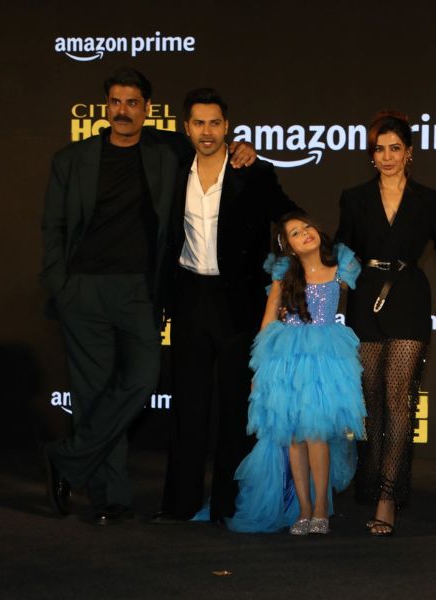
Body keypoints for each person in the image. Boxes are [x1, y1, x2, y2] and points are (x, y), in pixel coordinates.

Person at [40, 69, 254, 525]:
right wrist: (62, 285)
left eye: (132, 103)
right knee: (94, 394)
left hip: (139, 290)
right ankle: (111, 498)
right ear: (106, 107)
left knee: (141, 381)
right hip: (83, 290)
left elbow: (211, 142)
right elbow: (53, 227)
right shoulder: (71, 159)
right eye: (115, 102)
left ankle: (67, 457)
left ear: (147, 109)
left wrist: (242, 148)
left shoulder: (167, 149)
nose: (123, 111)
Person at [150, 89, 299, 525]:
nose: (207, 132)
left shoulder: (253, 172)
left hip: (237, 301)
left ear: (227, 127)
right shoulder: (173, 168)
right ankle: (179, 503)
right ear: (186, 128)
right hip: (189, 296)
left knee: (236, 405)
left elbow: (287, 213)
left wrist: (312, 250)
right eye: (199, 123)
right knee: (188, 404)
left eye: (215, 123)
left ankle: (228, 504)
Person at [336, 111, 436, 536]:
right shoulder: (354, 198)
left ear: (409, 153)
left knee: (399, 398)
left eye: (395, 148)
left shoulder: (429, 199)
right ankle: (371, 478)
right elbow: (342, 249)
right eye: (379, 149)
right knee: (370, 398)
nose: (387, 157)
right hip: (366, 297)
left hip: (408, 297)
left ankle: (388, 496)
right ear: (371, 155)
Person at [227, 212, 365, 534]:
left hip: (323, 358)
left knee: (316, 433)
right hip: (285, 357)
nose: (305, 234)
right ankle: (303, 510)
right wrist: (259, 369)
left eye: (306, 227)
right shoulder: (285, 274)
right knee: (292, 436)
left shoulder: (340, 267)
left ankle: (321, 510)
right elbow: (268, 319)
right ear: (287, 246)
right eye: (295, 233)